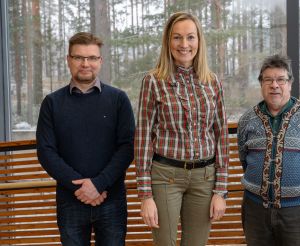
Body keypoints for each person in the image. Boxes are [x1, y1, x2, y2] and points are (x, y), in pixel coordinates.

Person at [135, 12, 229, 246]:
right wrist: (145, 195)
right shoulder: (153, 81)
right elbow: (144, 138)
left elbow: (221, 135)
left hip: (205, 179)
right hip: (166, 177)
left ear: (199, 41)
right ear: (168, 41)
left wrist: (221, 191)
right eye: (177, 38)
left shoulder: (212, 81)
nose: (184, 44)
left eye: (190, 37)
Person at [36, 32, 135, 246]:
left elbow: (127, 147)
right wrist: (81, 188)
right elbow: (46, 151)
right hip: (70, 201)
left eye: (91, 58)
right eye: (78, 57)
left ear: (100, 60)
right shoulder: (52, 103)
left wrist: (98, 184)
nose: (85, 63)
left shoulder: (118, 99)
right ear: (68, 59)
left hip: (111, 200)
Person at [237, 54, 300, 246]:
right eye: (268, 80)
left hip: (298, 212)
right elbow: (244, 158)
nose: (274, 85)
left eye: (281, 79)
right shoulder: (247, 120)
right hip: (256, 210)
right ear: (261, 84)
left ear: (289, 83)